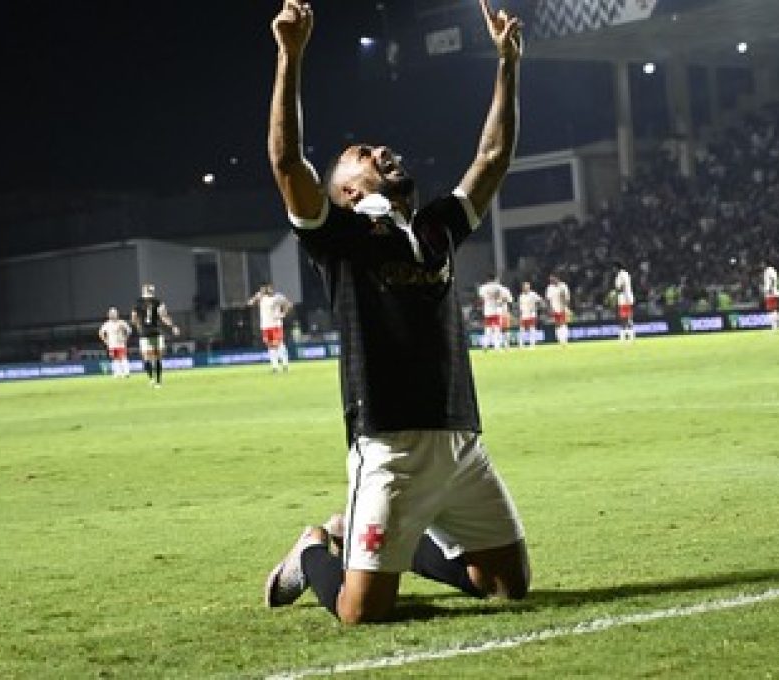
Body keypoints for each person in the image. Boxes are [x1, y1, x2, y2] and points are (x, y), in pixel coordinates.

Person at [263, 0, 529, 625]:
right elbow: (285, 163)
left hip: (461, 438)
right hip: (388, 444)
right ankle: (314, 550)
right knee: (361, 613)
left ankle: (399, 549)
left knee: (505, 585)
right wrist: (290, 56)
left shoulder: (434, 227)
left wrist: (508, 64)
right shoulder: (337, 237)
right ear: (349, 192)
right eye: (362, 153)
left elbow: (491, 160)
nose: (380, 148)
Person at [131, 283, 179, 388]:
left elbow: (134, 318)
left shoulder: (138, 302)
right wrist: (173, 326)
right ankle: (157, 381)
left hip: (145, 333)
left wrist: (138, 327)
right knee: (156, 357)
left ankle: (152, 379)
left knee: (147, 357)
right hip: (155, 332)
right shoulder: (158, 302)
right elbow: (164, 316)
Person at [247, 283, 292, 372]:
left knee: (279, 344)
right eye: (266, 288)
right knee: (270, 346)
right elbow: (249, 303)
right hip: (265, 326)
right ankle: (275, 367)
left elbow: (288, 304)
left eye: (270, 288)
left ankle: (285, 364)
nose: (268, 290)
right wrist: (256, 296)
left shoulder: (278, 297)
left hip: (276, 325)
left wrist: (283, 314)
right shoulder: (261, 298)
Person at [477, 275, 512, 351]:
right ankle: (497, 347)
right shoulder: (499, 287)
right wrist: (499, 301)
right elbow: (505, 298)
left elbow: (481, 298)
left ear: (487, 279)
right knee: (497, 330)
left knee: (487, 329)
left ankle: (485, 345)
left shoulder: (483, 288)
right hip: (496, 310)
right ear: (495, 279)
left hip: (487, 311)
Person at [99, 307, 132, 378]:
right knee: (115, 359)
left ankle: (126, 373)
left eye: (114, 313)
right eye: (111, 313)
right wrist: (106, 341)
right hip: (112, 344)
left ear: (117, 314)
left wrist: (125, 338)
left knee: (123, 358)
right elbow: (101, 333)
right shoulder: (107, 324)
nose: (113, 315)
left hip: (121, 344)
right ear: (109, 315)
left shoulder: (121, 322)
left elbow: (129, 330)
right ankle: (118, 373)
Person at [545, 274, 571, 345]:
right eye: (550, 280)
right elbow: (548, 299)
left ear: (557, 278)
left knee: (563, 323)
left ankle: (565, 340)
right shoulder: (549, 288)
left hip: (562, 308)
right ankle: (560, 340)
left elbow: (567, 297)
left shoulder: (563, 286)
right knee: (557, 324)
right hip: (554, 308)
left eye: (552, 279)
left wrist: (565, 306)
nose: (551, 281)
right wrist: (550, 309)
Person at [516, 281, 543, 348]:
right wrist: (520, 314)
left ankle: (532, 344)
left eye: (527, 286)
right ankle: (521, 344)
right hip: (524, 315)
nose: (526, 288)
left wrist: (536, 308)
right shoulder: (521, 296)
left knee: (532, 330)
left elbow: (540, 300)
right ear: (523, 288)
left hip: (532, 315)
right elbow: (520, 306)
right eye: (524, 287)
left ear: (529, 287)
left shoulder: (533, 294)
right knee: (522, 330)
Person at [614, 264, 635, 342]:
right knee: (628, 317)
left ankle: (624, 337)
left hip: (624, 298)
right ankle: (630, 336)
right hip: (627, 298)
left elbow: (621, 287)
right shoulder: (626, 274)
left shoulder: (621, 275)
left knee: (624, 318)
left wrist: (616, 291)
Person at [762, 262, 779, 331]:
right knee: (773, 310)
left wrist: (770, 290)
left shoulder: (769, 270)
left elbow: (772, 280)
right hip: (772, 292)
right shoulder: (771, 270)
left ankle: (775, 326)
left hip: (771, 293)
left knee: (772, 309)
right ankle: (775, 326)